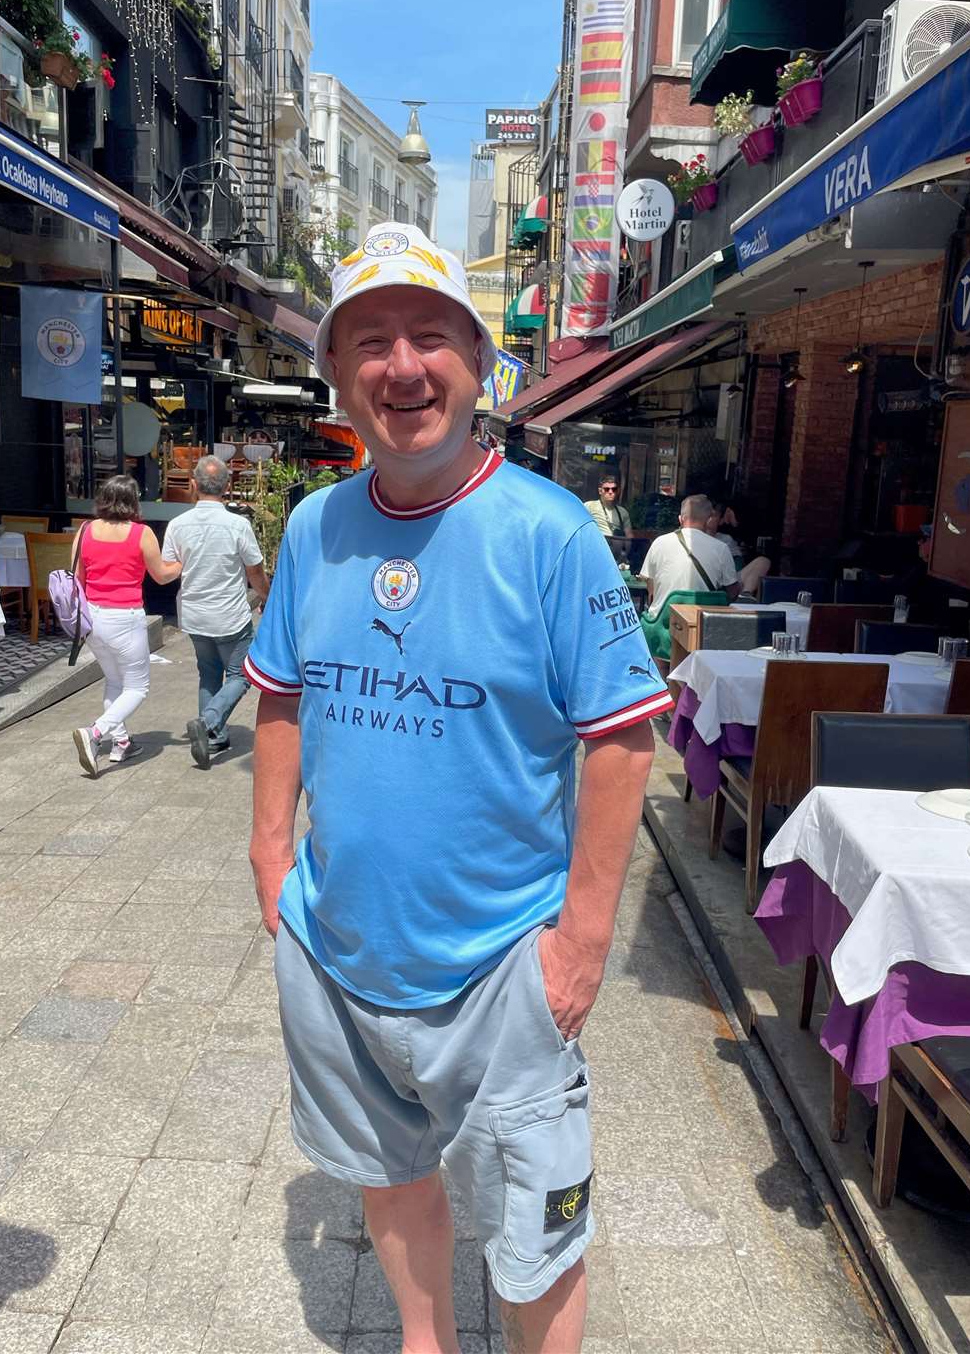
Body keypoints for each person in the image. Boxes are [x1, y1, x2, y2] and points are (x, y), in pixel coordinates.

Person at [245, 221, 667, 1353]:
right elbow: (280, 693)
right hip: (336, 949)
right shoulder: (315, 528)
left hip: (501, 965)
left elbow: (624, 738)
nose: (402, 367)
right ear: (337, 377)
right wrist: (271, 858)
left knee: (538, 1234)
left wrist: (581, 940)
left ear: (481, 365)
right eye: (369, 341)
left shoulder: (551, 532)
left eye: (430, 335)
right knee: (387, 1175)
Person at [161, 454, 269, 769]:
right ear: (227, 486)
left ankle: (214, 737)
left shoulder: (177, 525)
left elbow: (171, 567)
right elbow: (255, 571)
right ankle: (208, 721)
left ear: (193, 485)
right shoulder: (238, 525)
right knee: (241, 674)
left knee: (208, 673)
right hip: (229, 614)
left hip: (194, 614)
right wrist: (267, 596)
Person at [71, 474, 180, 777]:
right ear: (132, 501)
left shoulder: (85, 530)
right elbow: (161, 576)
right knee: (137, 687)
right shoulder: (141, 533)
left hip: (92, 616)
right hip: (125, 616)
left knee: (114, 681)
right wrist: (181, 564)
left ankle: (120, 742)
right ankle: (95, 732)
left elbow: (76, 577)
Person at [638, 493, 740, 658]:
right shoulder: (722, 548)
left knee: (662, 665)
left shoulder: (659, 543)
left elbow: (652, 593)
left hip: (663, 628)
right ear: (708, 521)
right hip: (704, 632)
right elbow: (733, 593)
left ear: (680, 519)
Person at [706, 499, 771, 599]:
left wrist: (735, 523)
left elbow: (738, 563)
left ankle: (744, 597)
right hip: (705, 580)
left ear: (720, 520)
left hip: (728, 581)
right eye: (707, 515)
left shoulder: (726, 539)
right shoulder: (693, 538)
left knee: (763, 561)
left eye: (713, 515)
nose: (709, 518)